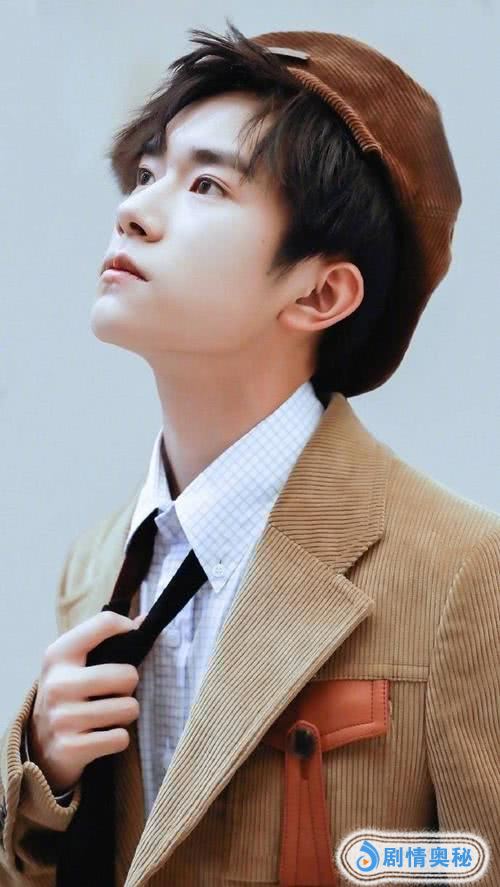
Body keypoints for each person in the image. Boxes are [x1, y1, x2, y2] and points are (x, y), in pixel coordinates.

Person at [1, 20, 498, 887]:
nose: (133, 209)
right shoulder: (99, 566)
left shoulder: (462, 570)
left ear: (321, 291)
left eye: (206, 184)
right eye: (147, 172)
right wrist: (44, 774)